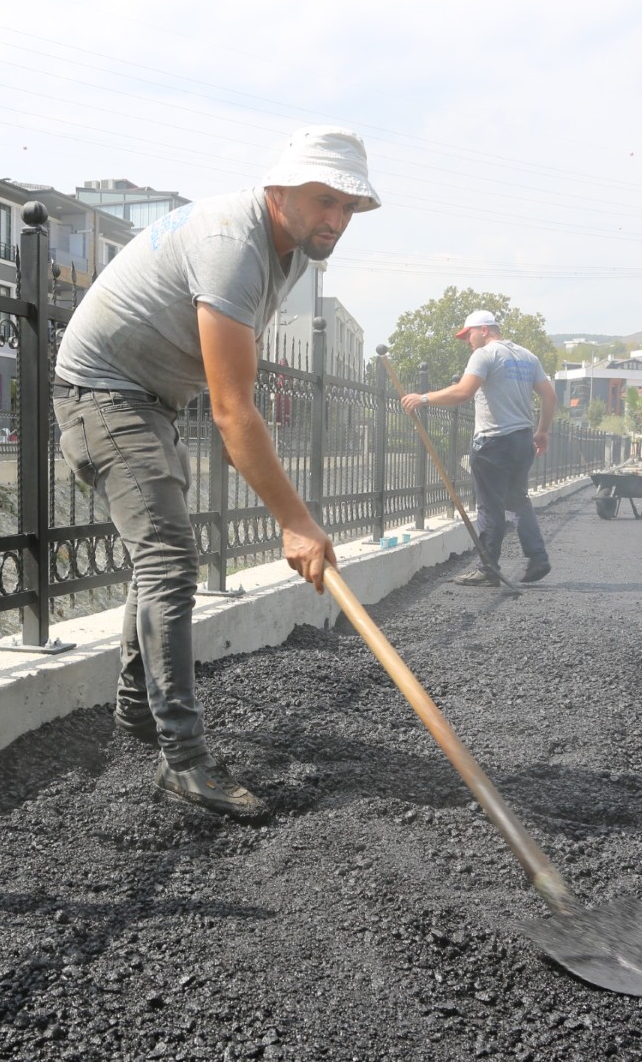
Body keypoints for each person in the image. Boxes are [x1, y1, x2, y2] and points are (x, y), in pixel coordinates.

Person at [51, 126, 380, 819]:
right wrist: (295, 521)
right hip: (103, 394)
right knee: (168, 557)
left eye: (348, 207)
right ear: (280, 189)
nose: (336, 220)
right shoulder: (236, 246)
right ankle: (184, 761)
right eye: (325, 200)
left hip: (149, 402)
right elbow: (234, 412)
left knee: (159, 557)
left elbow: (236, 395)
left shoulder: (287, 252)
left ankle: (140, 707)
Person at [399, 310, 556, 585]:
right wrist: (542, 431)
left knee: (489, 506)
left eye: (468, 334)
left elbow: (464, 391)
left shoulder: (485, 355)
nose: (466, 341)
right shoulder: (527, 357)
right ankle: (538, 557)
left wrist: (422, 398)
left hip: (493, 442)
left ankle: (488, 569)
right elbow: (549, 395)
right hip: (522, 440)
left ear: (484, 330)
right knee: (517, 499)